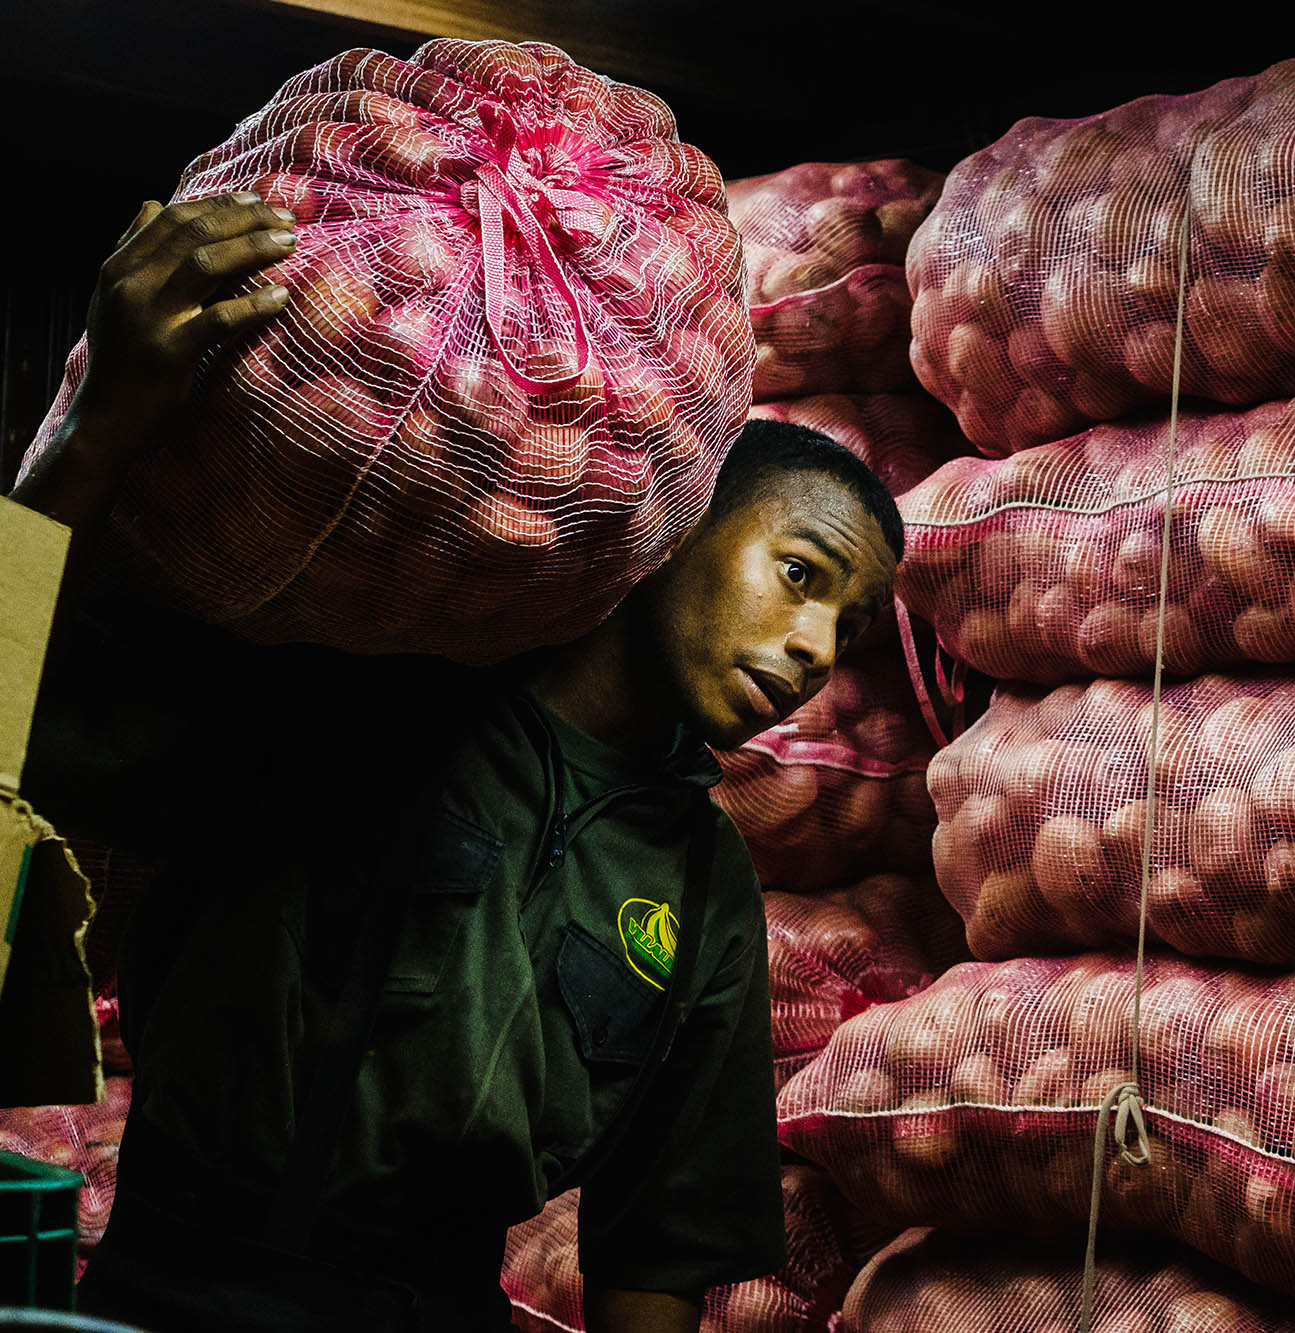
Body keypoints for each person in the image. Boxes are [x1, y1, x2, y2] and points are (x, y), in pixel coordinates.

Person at [11, 190, 903, 1332]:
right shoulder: (357, 685)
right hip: (174, 1292)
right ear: (680, 520)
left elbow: (658, 1251)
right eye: (800, 574)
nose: (815, 649)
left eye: (852, 627)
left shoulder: (698, 881)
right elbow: (19, 706)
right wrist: (104, 417)